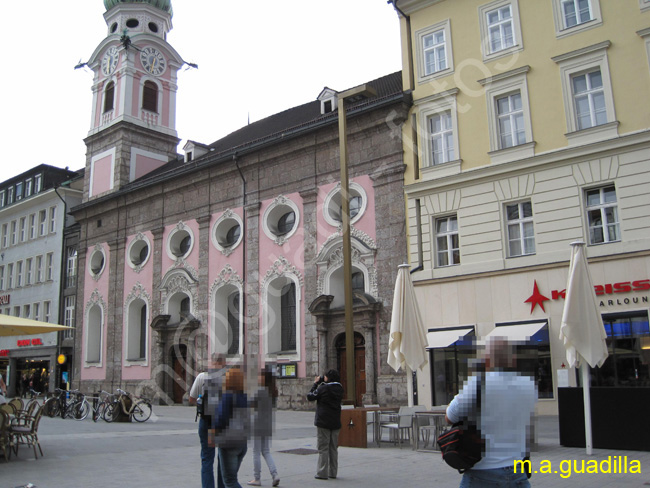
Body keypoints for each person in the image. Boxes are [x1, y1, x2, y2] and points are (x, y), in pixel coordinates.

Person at [446, 337, 537, 488]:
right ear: (513, 359)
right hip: (517, 470)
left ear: (486, 359)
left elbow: (450, 416)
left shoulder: (479, 383)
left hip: (482, 472)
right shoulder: (527, 385)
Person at [189, 354, 228, 488]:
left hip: (206, 421)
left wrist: (201, 404)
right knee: (222, 459)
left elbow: (191, 398)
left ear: (212, 362)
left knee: (206, 458)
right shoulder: (228, 378)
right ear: (223, 363)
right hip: (223, 423)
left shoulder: (202, 377)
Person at [211, 367, 249, 488]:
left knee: (229, 481)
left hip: (229, 442)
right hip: (242, 442)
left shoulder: (227, 396)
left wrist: (212, 433)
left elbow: (221, 419)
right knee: (231, 478)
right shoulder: (244, 397)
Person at [307, 369, 344, 480]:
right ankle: (333, 472)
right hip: (335, 421)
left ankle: (322, 472)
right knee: (333, 447)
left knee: (323, 447)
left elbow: (310, 396)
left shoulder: (323, 388)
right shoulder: (340, 388)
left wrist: (316, 384)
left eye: (325, 376)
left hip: (323, 421)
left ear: (328, 378)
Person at [248, 368, 280, 487]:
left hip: (257, 423)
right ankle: (275, 474)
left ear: (264, 378)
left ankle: (257, 478)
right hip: (268, 423)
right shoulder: (273, 391)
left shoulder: (260, 391)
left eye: (260, 376)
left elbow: (250, 404)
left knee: (256, 451)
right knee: (266, 451)